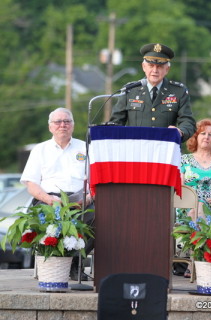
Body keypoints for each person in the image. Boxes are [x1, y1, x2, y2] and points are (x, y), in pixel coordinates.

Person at [21, 107, 94, 281]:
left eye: (67, 121)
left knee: (100, 216)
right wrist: (49, 199)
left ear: (73, 126)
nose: (63, 125)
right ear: (50, 127)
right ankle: (52, 264)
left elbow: (95, 181)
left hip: (80, 198)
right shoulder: (40, 150)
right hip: (49, 199)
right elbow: (31, 184)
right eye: (58, 122)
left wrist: (88, 198)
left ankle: (76, 262)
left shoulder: (86, 148)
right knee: (42, 218)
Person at [110, 43, 196, 142]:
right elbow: (115, 123)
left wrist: (180, 132)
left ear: (167, 69)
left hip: (165, 150)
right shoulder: (130, 90)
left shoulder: (178, 91)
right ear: (143, 67)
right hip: (135, 151)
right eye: (151, 66)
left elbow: (188, 121)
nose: (155, 70)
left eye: (159, 67)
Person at [181, 118, 211, 218]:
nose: (207, 137)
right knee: (197, 208)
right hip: (189, 208)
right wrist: (193, 205)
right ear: (196, 136)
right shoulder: (184, 159)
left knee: (202, 207)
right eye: (203, 133)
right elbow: (180, 188)